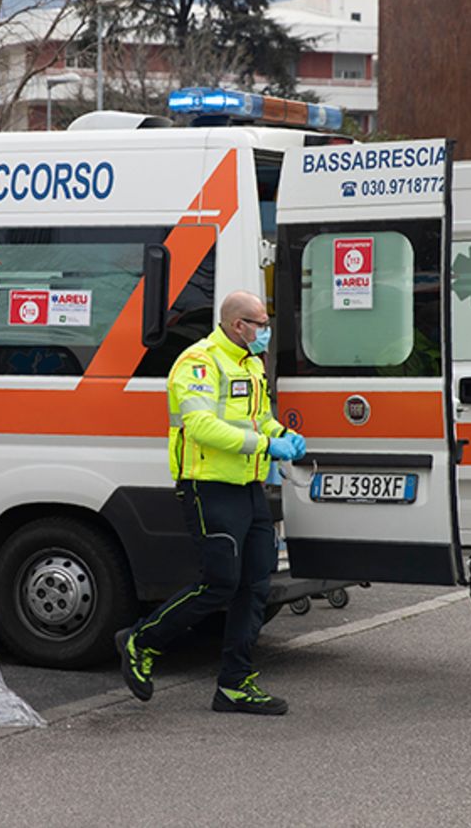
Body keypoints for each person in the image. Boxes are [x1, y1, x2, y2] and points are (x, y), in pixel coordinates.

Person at [115, 290, 305, 715]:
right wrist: (264, 444)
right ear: (239, 325)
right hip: (208, 486)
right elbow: (200, 426)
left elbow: (259, 415)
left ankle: (235, 683)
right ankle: (140, 640)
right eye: (260, 323)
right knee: (220, 581)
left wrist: (280, 434)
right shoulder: (198, 362)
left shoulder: (249, 362)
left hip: (248, 486)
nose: (266, 331)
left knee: (256, 584)